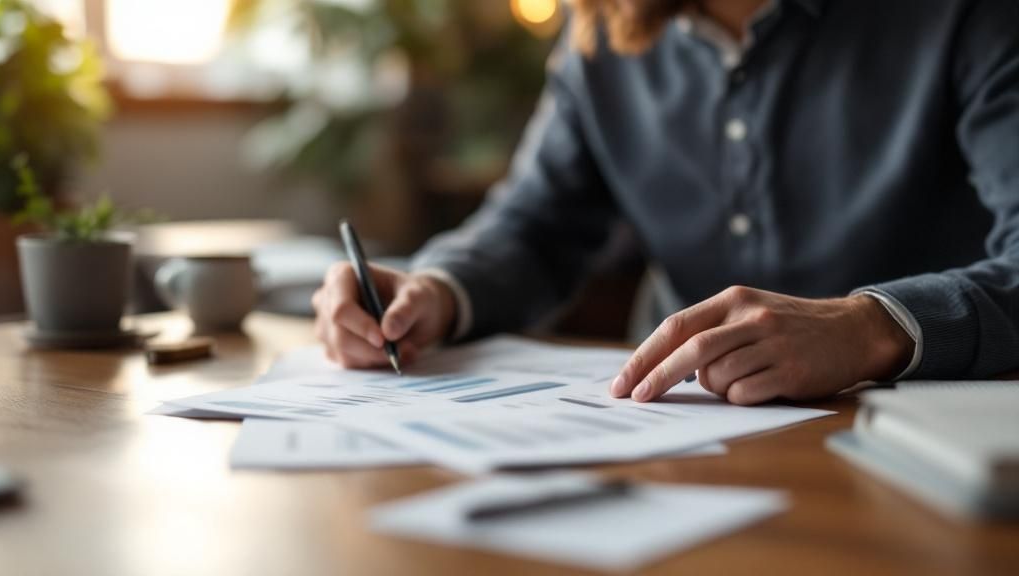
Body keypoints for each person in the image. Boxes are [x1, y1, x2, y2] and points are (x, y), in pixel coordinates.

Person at [312, 0, 1019, 405]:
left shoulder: (966, 15)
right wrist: (434, 291)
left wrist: (869, 327)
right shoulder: (604, 27)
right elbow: (534, 224)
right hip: (673, 434)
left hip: (924, 441)